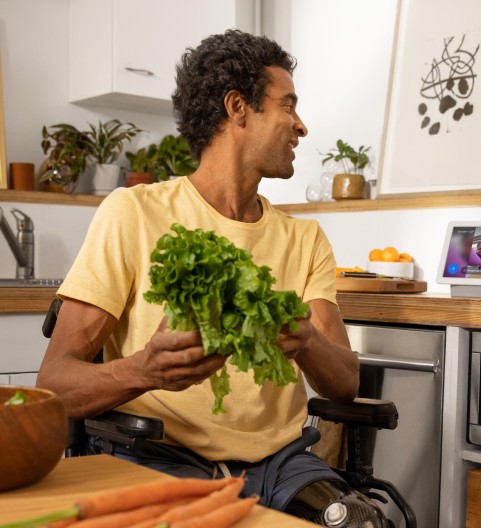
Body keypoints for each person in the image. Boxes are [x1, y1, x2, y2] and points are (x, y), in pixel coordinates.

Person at [36, 30, 386, 523]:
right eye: (288, 106)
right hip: (161, 459)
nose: (300, 125)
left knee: (359, 521)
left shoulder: (305, 239)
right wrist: (143, 371)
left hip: (282, 467)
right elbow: (53, 384)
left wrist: (305, 337)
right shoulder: (132, 214)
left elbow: (345, 384)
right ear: (238, 107)